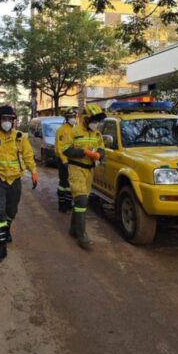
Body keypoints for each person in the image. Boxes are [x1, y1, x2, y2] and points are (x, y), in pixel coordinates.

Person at [0, 104, 38, 263]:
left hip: (15, 180)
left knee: (12, 211)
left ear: (13, 121)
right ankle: (1, 246)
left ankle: (6, 229)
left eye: (10, 119)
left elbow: (28, 156)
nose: (7, 122)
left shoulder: (20, 137)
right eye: (4, 119)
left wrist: (34, 172)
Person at [63, 104, 106, 249]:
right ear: (86, 119)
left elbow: (101, 148)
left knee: (82, 200)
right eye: (94, 120)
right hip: (76, 168)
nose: (96, 123)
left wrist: (99, 155)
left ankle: (73, 228)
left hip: (89, 171)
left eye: (97, 121)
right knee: (81, 200)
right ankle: (82, 236)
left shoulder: (97, 134)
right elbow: (65, 150)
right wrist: (84, 152)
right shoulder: (74, 131)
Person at [54, 108, 77, 212]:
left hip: (73, 160)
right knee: (63, 183)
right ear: (67, 118)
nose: (73, 119)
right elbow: (59, 147)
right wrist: (64, 161)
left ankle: (68, 203)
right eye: (71, 117)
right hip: (63, 160)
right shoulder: (61, 130)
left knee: (70, 183)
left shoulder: (76, 129)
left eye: (74, 117)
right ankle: (62, 204)